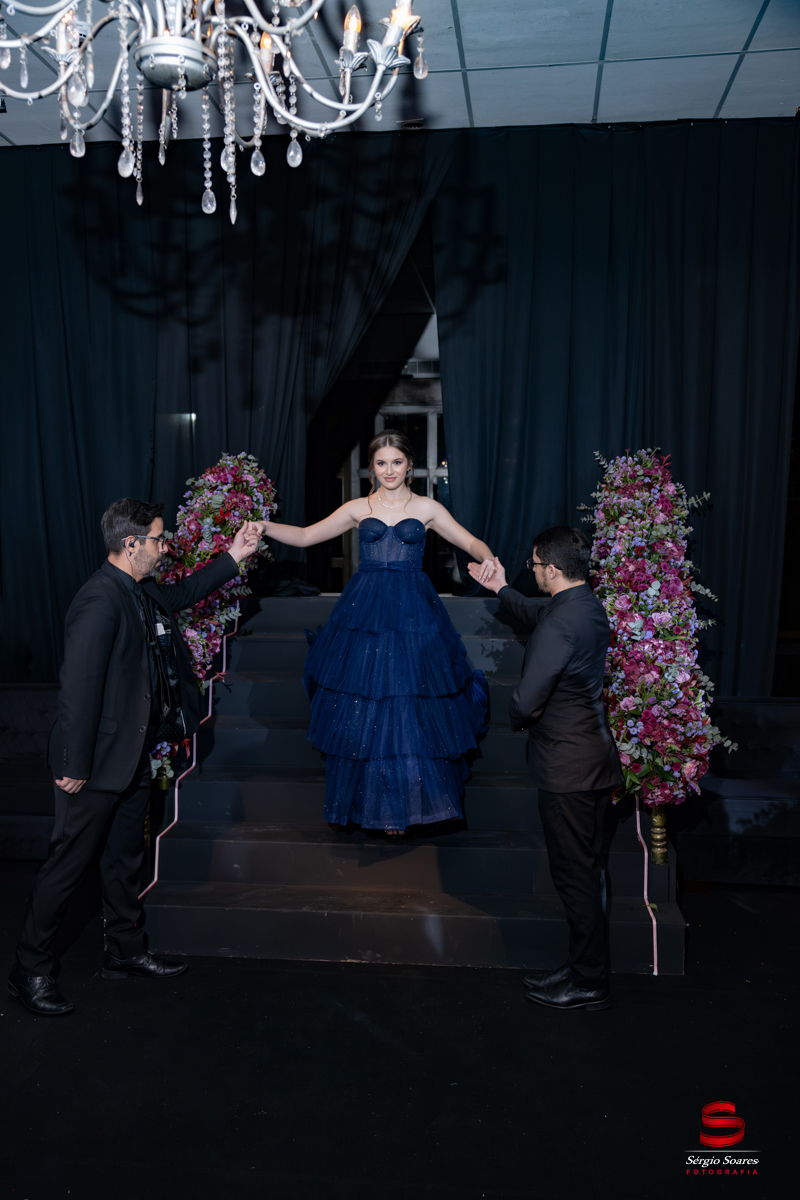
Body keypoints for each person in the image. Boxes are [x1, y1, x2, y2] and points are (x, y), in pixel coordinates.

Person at [8, 498, 260, 1016]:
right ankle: (28, 969)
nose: (164, 548)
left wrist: (235, 555)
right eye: (158, 540)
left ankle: (123, 950)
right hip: (94, 763)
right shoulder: (99, 599)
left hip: (133, 754)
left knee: (124, 859)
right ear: (131, 544)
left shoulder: (142, 590)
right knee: (67, 867)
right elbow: (78, 689)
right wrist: (73, 764)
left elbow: (186, 592)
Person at [250, 430, 495, 835]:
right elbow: (307, 536)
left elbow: (471, 541)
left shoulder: (427, 507)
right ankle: (374, 807)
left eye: (396, 462)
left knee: (409, 701)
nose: (389, 470)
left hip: (413, 610)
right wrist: (264, 526)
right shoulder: (358, 508)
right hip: (366, 609)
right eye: (381, 463)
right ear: (371, 468)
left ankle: (410, 805)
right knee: (369, 703)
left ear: (409, 464)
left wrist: (487, 559)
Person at [469, 526, 621, 1012]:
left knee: (576, 879)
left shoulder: (560, 625)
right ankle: (582, 968)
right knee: (588, 873)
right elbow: (538, 612)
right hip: (594, 761)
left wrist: (515, 718)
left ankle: (588, 981)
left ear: (552, 569)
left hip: (567, 770)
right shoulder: (585, 605)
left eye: (534, 565)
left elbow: (527, 699)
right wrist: (501, 589)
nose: (532, 571)